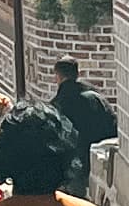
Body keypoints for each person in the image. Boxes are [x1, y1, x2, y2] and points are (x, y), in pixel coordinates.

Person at [50, 57, 117, 190]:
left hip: (74, 169)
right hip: (100, 163)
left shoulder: (56, 106)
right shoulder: (96, 99)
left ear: (58, 76)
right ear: (77, 74)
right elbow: (112, 126)